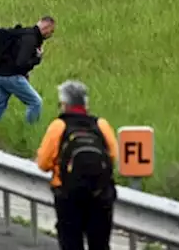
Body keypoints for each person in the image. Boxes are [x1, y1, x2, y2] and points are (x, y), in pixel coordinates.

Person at [34, 80, 119, 250]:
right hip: (100, 194)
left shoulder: (59, 126)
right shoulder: (100, 125)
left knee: (71, 242)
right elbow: (114, 157)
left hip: (68, 195)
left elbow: (43, 164)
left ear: (64, 104)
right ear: (86, 103)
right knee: (100, 244)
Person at [0, 17, 55, 144]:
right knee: (36, 102)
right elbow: (21, 63)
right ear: (46, 28)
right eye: (51, 32)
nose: (50, 35)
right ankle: (28, 137)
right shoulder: (31, 39)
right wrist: (37, 59)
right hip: (11, 77)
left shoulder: (22, 33)